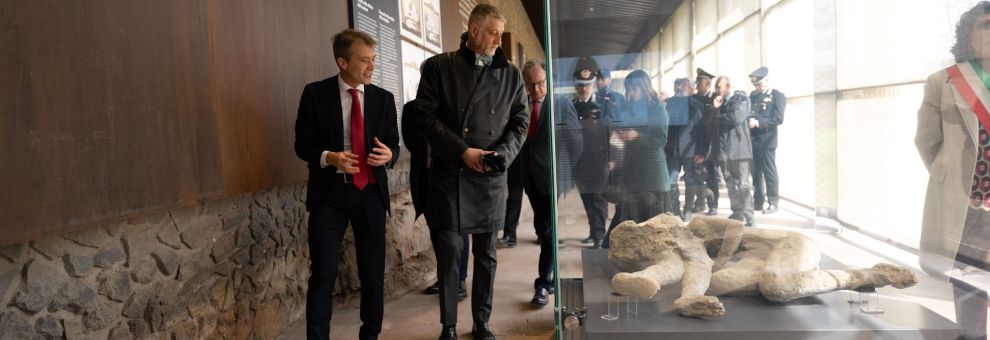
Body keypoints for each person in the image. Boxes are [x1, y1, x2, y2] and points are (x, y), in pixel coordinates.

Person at [415, 4, 529, 340]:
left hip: (490, 176)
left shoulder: (510, 74)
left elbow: (520, 124)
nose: (498, 40)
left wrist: (501, 155)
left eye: (499, 33)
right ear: (475, 30)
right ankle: (448, 325)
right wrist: (462, 151)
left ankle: (482, 323)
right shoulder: (440, 67)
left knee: (486, 255)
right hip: (452, 174)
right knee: (450, 252)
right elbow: (425, 118)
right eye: (493, 33)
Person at [294, 29, 400, 340]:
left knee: (372, 275)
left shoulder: (383, 98)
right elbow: (302, 145)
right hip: (329, 195)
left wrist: (389, 154)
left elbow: (393, 142)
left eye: (374, 60)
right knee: (323, 274)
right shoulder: (314, 94)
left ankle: (370, 335)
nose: (372, 67)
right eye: (364, 60)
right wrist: (329, 157)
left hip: (370, 193)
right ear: (342, 61)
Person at [916, 3, 990, 338]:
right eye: (985, 25)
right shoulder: (944, 81)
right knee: (970, 286)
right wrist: (956, 180)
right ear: (967, 35)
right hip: (970, 207)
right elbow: (928, 142)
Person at [402, 100, 470, 300]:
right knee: (435, 228)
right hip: (425, 176)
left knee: (457, 229)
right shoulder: (412, 109)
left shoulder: (455, 104)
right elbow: (411, 142)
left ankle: (459, 280)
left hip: (452, 177)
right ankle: (445, 277)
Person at [601, 70, 672, 248]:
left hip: (651, 175)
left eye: (634, 89)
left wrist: (636, 136)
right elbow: (617, 133)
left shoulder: (658, 108)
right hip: (631, 173)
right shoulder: (627, 108)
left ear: (644, 88)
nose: (630, 94)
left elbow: (660, 140)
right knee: (625, 226)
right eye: (628, 89)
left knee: (653, 233)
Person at [508, 59, 557, 306]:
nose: (536, 89)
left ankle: (543, 284)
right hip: (530, 180)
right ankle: (553, 278)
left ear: (547, 81)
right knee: (543, 230)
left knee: (547, 232)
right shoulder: (522, 107)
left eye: (540, 83)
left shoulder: (559, 106)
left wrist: (563, 175)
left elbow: (574, 143)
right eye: (531, 85)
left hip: (552, 180)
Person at [571, 56, 614, 249]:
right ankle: (592, 231)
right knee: (586, 198)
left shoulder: (603, 105)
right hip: (579, 162)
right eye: (580, 85)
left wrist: (612, 158)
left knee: (598, 199)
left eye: (587, 85)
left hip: (599, 160)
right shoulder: (570, 106)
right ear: (575, 85)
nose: (584, 89)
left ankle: (599, 235)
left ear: (593, 85)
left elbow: (611, 133)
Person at [711, 76, 754, 226]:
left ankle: (749, 216)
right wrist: (716, 110)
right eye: (716, 87)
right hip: (724, 150)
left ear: (727, 87)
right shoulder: (718, 103)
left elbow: (736, 118)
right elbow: (712, 122)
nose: (716, 89)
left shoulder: (741, 99)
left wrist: (718, 115)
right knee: (730, 183)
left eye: (719, 86)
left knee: (743, 184)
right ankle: (737, 212)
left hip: (740, 151)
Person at [666, 78, 709, 221]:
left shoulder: (697, 105)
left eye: (682, 86)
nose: (679, 88)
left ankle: (688, 210)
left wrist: (702, 152)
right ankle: (675, 209)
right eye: (677, 86)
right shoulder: (667, 104)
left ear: (690, 89)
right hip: (672, 150)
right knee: (672, 181)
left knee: (690, 180)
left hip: (691, 150)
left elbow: (703, 131)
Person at [747, 67, 785, 214]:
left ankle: (773, 202)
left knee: (769, 171)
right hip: (754, 140)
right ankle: (758, 201)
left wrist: (758, 123)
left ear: (766, 80)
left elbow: (778, 118)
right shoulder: (753, 96)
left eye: (760, 84)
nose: (758, 87)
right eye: (756, 85)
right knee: (755, 172)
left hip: (768, 140)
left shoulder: (776, 96)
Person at [694, 68, 722, 216]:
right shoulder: (694, 98)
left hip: (710, 144)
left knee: (710, 175)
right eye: (697, 81)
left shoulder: (715, 98)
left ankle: (713, 204)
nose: (697, 85)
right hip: (696, 142)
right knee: (697, 175)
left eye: (700, 82)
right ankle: (699, 203)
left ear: (707, 84)